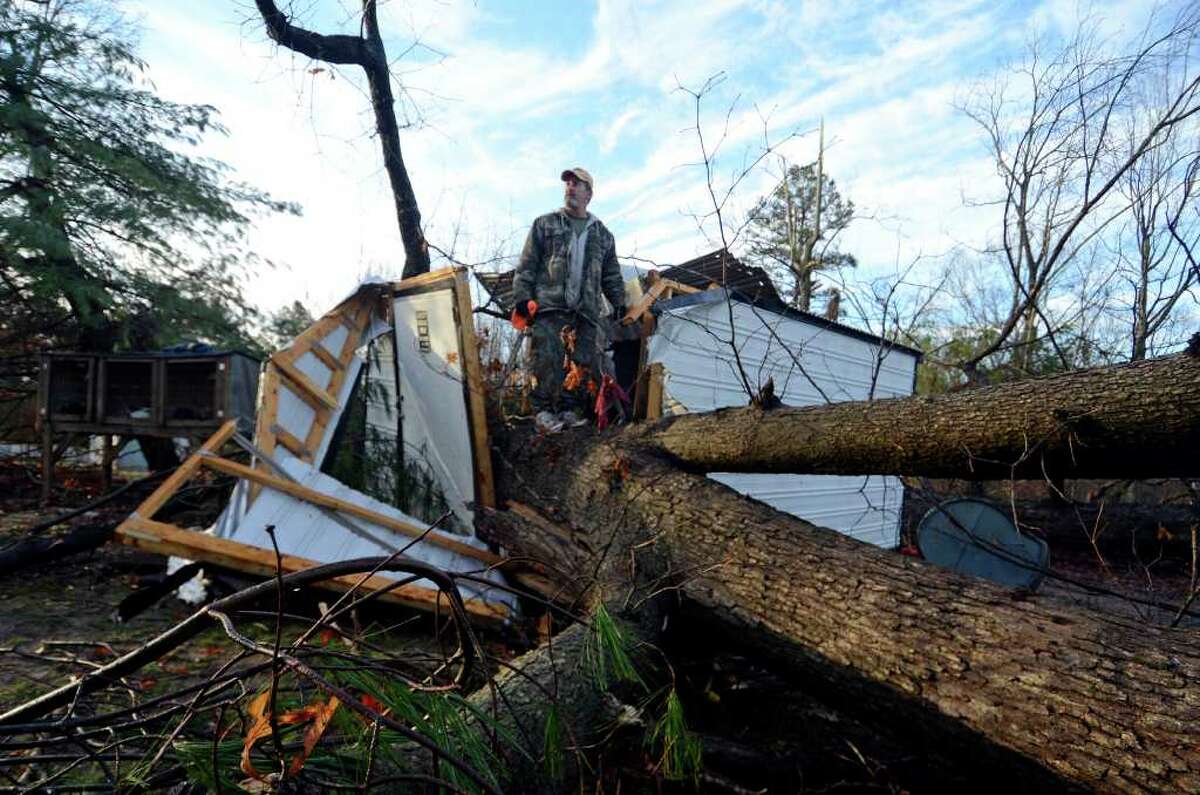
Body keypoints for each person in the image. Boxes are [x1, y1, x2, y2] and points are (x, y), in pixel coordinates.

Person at [512, 167, 625, 428]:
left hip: (586, 311)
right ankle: (542, 411)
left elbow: (611, 275)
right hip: (549, 307)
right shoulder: (545, 223)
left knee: (581, 363)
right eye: (568, 184)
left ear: (589, 193)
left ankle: (569, 411)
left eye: (577, 184)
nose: (570, 188)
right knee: (546, 360)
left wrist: (619, 303)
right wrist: (522, 298)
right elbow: (527, 265)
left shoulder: (603, 235)